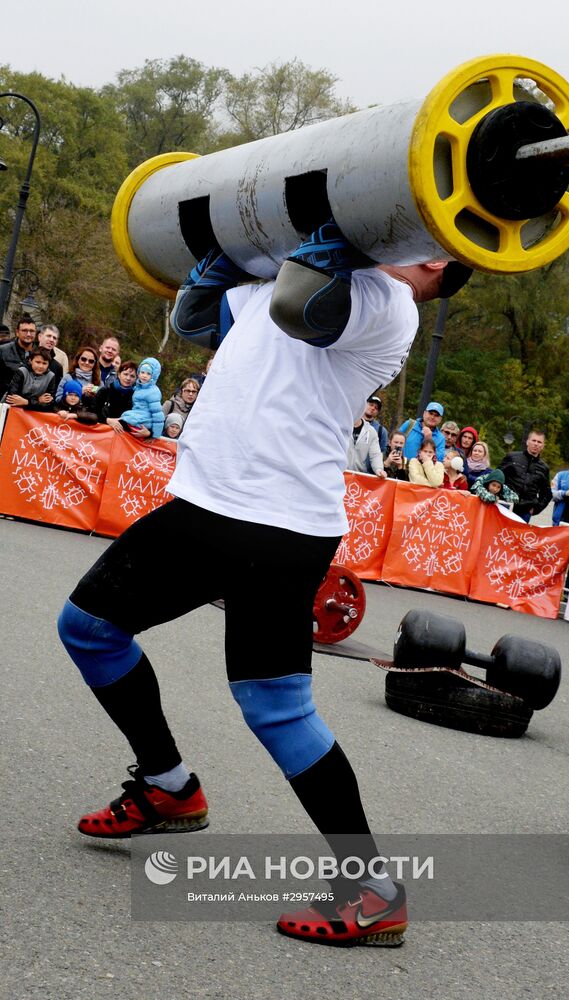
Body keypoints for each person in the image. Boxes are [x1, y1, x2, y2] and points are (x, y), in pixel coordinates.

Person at [57, 215, 471, 949]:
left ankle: (359, 885)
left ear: (435, 260)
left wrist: (329, 220)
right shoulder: (308, 277)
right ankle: (173, 789)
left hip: (263, 521)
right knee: (116, 639)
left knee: (258, 700)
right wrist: (220, 251)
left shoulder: (387, 304)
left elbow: (298, 302)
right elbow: (200, 317)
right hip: (224, 507)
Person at [499, 429, 551, 523]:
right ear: (527, 442)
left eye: (539, 442)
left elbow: (547, 494)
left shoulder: (544, 468)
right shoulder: (511, 457)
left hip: (525, 512)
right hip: (505, 505)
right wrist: (498, 497)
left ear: (542, 446)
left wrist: (536, 509)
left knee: (518, 537)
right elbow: (497, 477)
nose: (536, 444)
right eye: (533, 440)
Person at [117, 358, 165, 438]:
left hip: (145, 419)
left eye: (148, 374)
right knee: (124, 417)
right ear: (138, 373)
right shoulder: (138, 387)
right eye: (142, 372)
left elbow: (157, 414)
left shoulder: (153, 391)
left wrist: (154, 435)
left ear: (154, 375)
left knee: (126, 419)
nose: (144, 376)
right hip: (137, 414)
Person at [1, 346, 56, 411]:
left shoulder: (51, 376)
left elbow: (49, 405)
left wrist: (26, 402)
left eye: (44, 363)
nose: (41, 366)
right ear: (30, 360)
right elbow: (12, 398)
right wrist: (38, 400)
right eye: (37, 362)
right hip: (10, 412)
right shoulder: (22, 371)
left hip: (32, 417)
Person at [94, 360, 138, 430]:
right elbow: (93, 411)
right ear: (119, 374)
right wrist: (107, 420)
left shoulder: (136, 398)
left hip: (121, 437)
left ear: (136, 379)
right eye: (125, 374)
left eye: (132, 376)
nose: (128, 378)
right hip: (101, 434)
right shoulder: (105, 391)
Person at [0, 314, 37, 396]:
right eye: (24, 330)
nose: (28, 334)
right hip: (4, 402)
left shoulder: (40, 354)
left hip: (29, 403)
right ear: (17, 332)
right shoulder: (3, 351)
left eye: (31, 331)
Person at [36, 325, 64, 394]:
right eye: (48, 336)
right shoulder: (27, 356)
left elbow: (55, 393)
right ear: (40, 337)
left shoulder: (57, 367)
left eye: (54, 338)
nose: (51, 340)